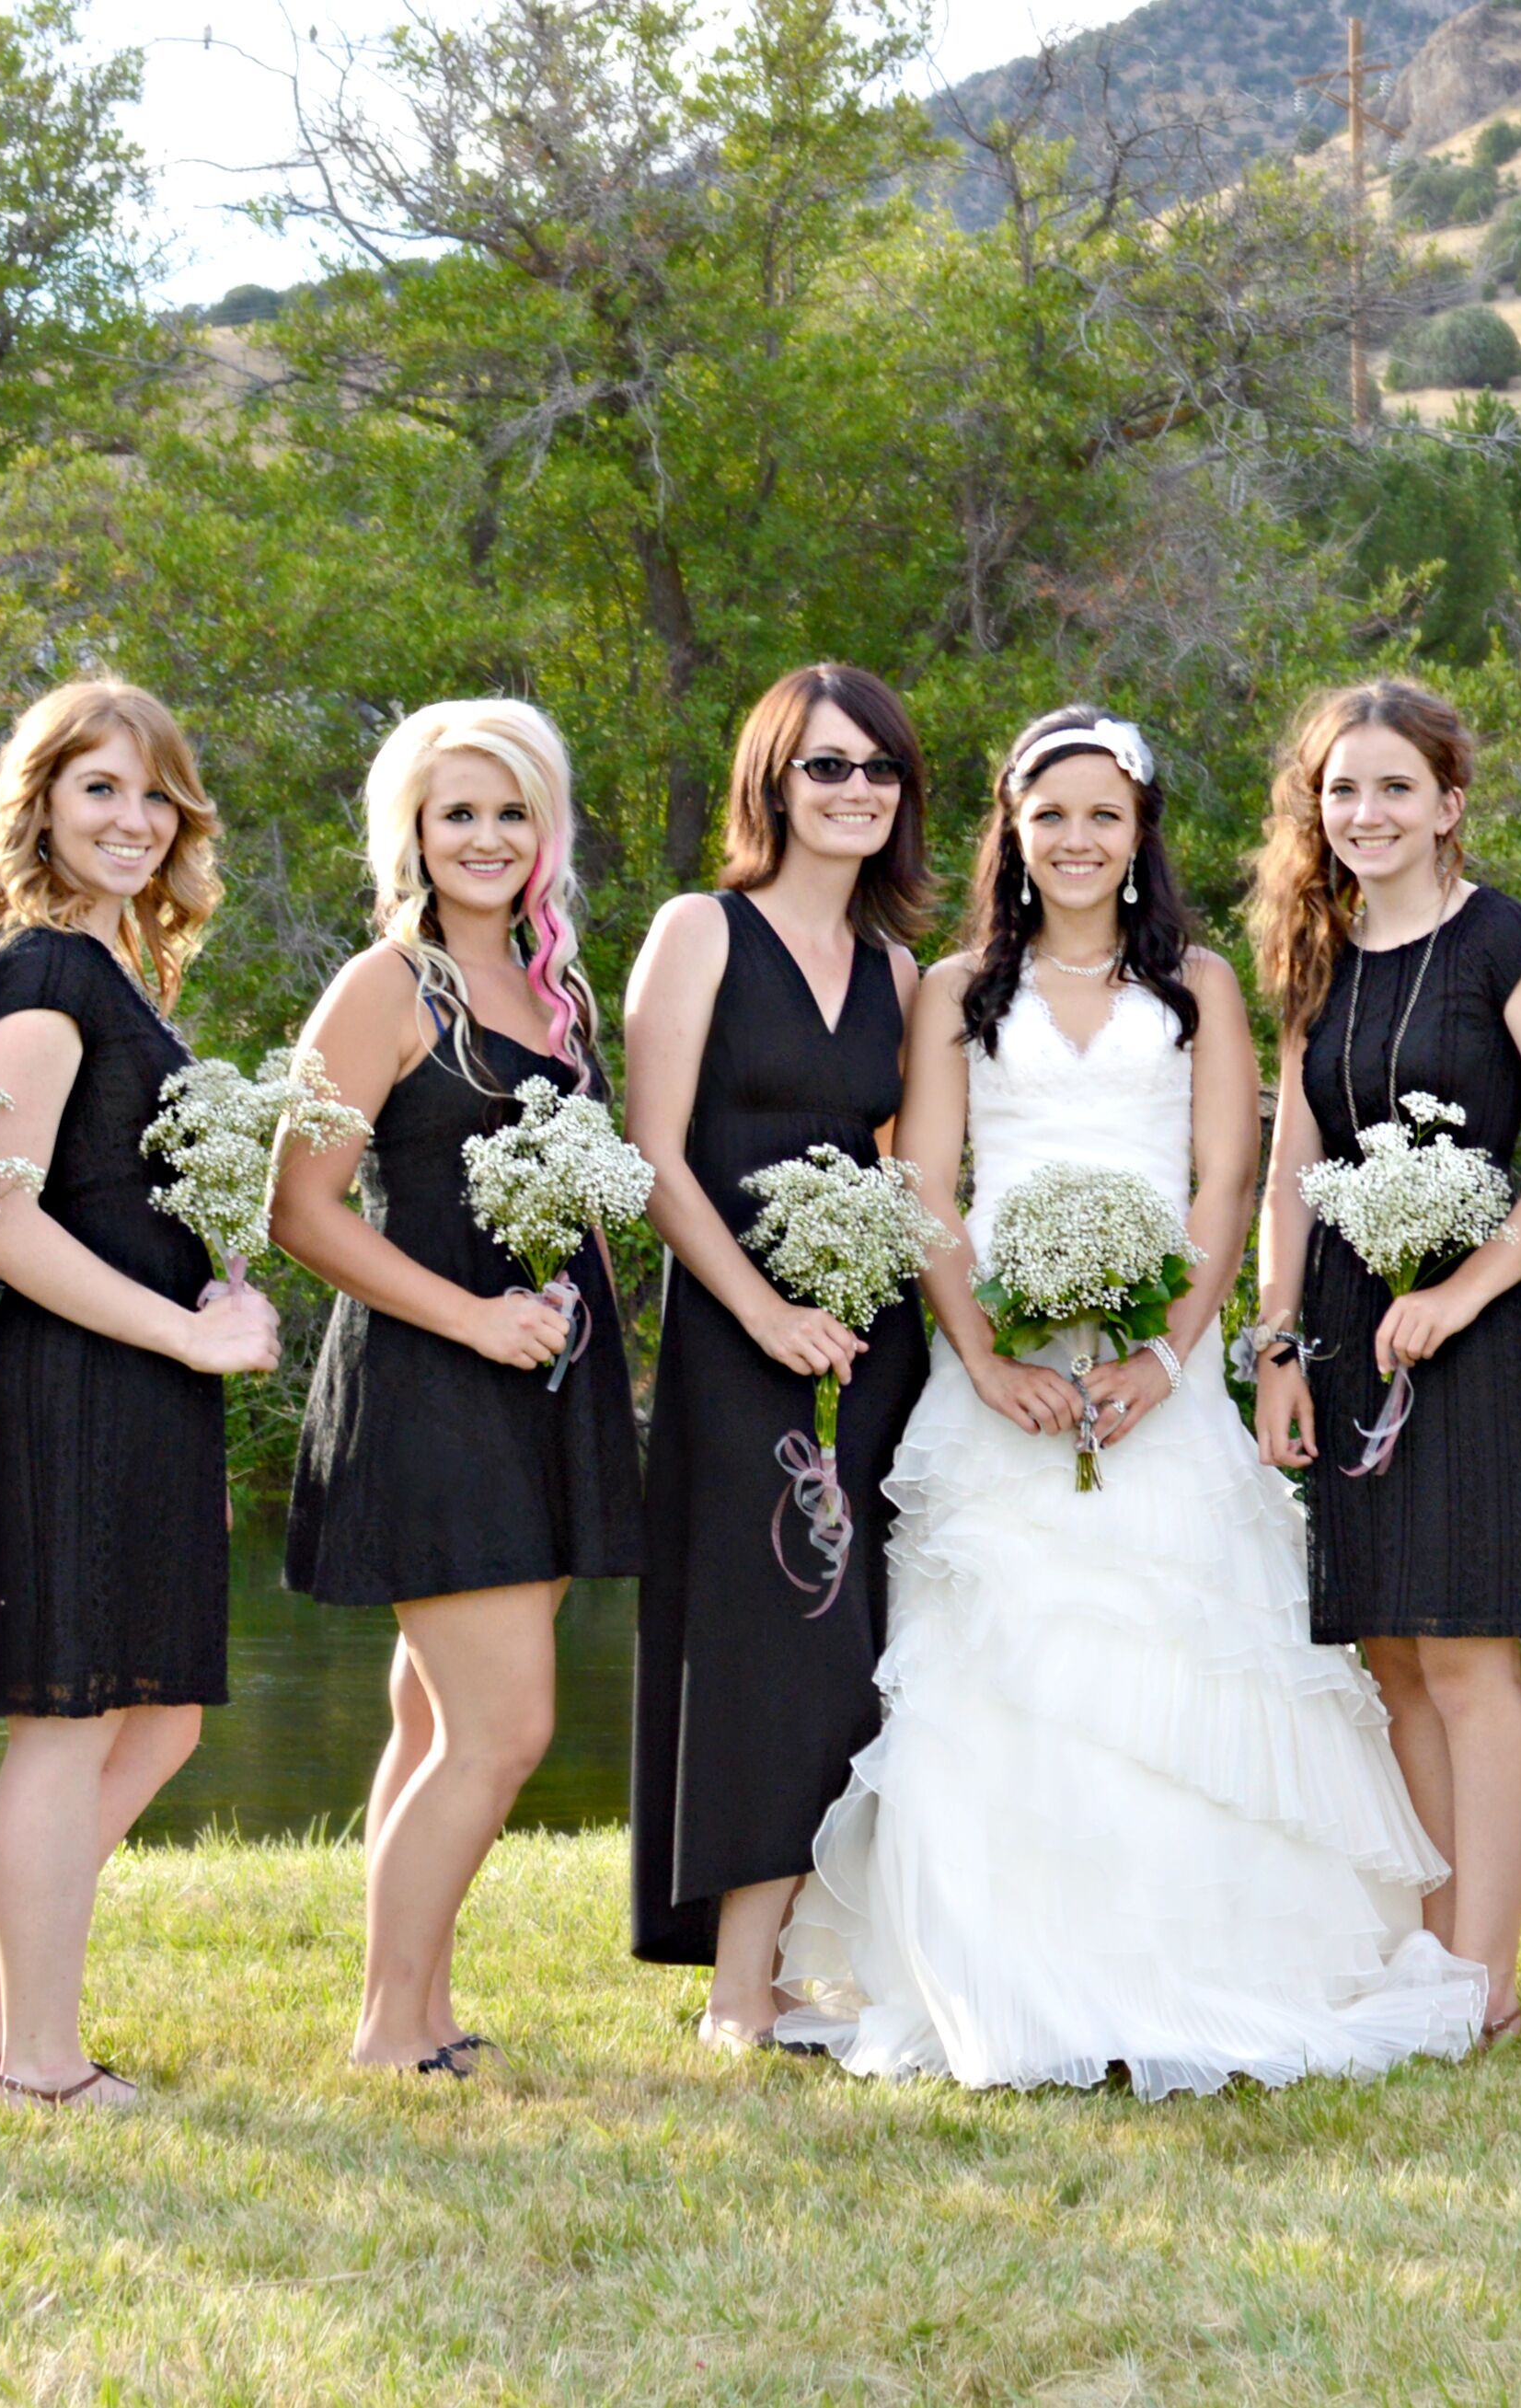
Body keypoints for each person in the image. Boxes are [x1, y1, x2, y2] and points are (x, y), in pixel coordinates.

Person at [775, 708, 1487, 2091]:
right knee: (997, 1671)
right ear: (1012, 829)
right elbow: (926, 1181)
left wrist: (1170, 1356)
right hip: (1002, 1379)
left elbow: (1229, 1180)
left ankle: (1207, 1968)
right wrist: (985, 1355)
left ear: (1140, 830)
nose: (1078, 839)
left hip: (1162, 1376)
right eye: (1051, 815)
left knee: (1183, 1659)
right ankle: (1002, 1975)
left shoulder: (1202, 984)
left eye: (1105, 814)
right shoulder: (957, 988)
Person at [0, 682, 279, 2112]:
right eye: (99, 790)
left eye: (155, 794)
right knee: (70, 1719)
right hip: (76, 1380)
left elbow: (109, 1186)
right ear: (40, 804)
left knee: (161, 1718)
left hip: (145, 1376)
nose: (133, 820)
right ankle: (40, 2067)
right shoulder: (44, 971)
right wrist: (181, 1338)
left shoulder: (118, 963)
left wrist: (220, 1276)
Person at [277, 698, 648, 2081]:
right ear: (412, 836)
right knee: (504, 1730)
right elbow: (301, 1207)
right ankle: (387, 2034)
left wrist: (595, 1350)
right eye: (456, 814)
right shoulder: (385, 988)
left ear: (545, 829)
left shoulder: (559, 993)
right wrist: (473, 1322)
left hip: (551, 1382)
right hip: (432, 1382)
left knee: (434, 1721)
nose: (484, 838)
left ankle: (418, 2008)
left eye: (510, 811)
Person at [1247, 679, 1521, 2046]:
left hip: (1473, 1328)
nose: (1366, 812)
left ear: (1450, 803)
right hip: (1342, 1330)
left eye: (1395, 786)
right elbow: (1293, 1165)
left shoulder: (1508, 945)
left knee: (1468, 1661)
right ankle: (1429, 1951)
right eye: (1343, 788)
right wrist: (1276, 1343)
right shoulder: (1314, 952)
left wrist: (1463, 1291)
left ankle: (1488, 1973)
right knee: (1391, 1655)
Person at [621, 664, 934, 2047]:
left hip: (868, 1345)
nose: (854, 790)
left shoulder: (902, 971)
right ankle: (735, 1988)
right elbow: (652, 1157)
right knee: (761, 1650)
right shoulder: (699, 930)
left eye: (877, 768)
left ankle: (801, 1960)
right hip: (737, 1341)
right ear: (771, 780)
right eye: (825, 766)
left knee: (851, 1652)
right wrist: (761, 1312)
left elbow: (914, 1175)